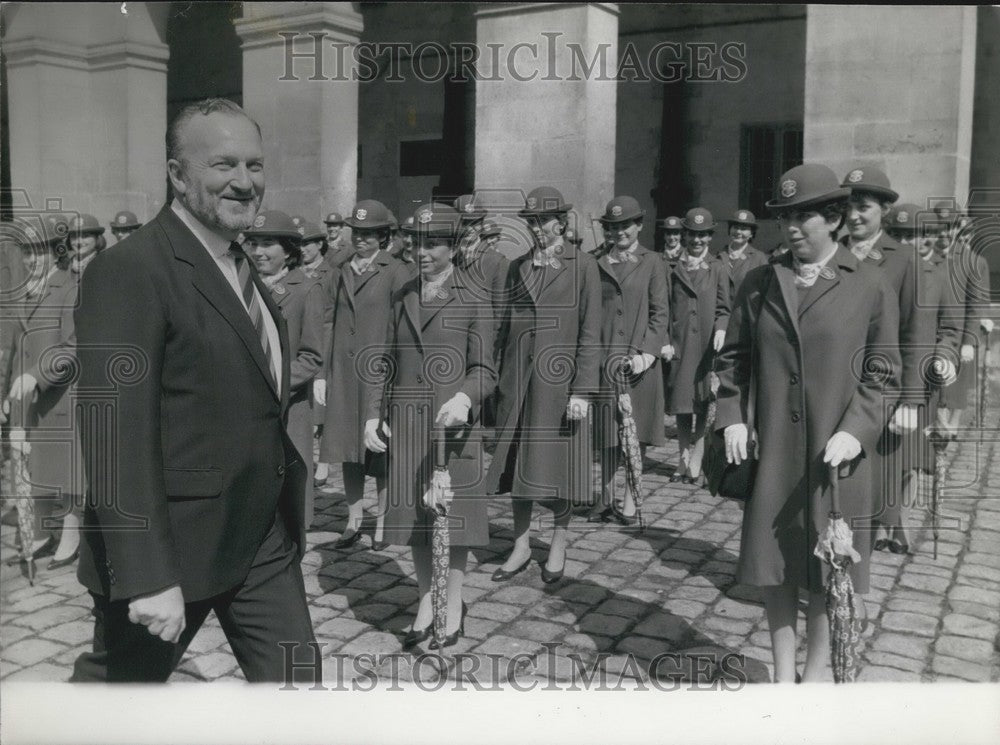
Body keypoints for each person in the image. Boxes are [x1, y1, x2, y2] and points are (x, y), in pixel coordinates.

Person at [70, 98, 316, 683]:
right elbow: (113, 433)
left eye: (255, 166)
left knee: (299, 681)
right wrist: (148, 576)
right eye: (223, 165)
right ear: (178, 176)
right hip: (173, 548)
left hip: (260, 536)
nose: (244, 181)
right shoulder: (131, 269)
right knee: (119, 701)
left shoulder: (237, 263)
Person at [716, 163, 901, 683]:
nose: (792, 228)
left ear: (834, 217)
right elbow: (733, 360)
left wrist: (856, 429)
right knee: (772, 563)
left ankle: (816, 675)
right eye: (785, 218)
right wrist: (731, 416)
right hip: (774, 446)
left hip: (834, 451)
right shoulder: (759, 281)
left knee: (826, 567)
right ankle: (781, 673)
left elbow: (884, 372)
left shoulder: (869, 284)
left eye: (804, 217)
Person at [364, 202, 495, 649]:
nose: (422, 253)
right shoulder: (403, 294)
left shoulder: (474, 297)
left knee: (452, 521)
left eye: (433, 244)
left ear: (454, 247)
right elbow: (382, 359)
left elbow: (485, 369)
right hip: (408, 425)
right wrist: (371, 413)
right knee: (417, 522)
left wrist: (465, 397)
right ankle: (426, 598)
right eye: (416, 243)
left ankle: (453, 601)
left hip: (452, 428)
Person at [486, 186, 602, 584]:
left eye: (543, 221)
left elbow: (591, 331)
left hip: (559, 384)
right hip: (517, 382)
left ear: (561, 222)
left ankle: (558, 541)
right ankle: (520, 544)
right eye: (531, 222)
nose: (537, 229)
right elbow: (502, 328)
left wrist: (583, 389)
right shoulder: (518, 267)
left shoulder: (582, 266)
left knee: (559, 466)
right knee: (519, 462)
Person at [316, 200, 409, 551]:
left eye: (370, 235)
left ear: (383, 237)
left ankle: (383, 521)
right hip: (343, 371)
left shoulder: (396, 270)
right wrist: (322, 372)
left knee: (378, 451)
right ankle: (354, 519)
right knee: (346, 448)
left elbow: (401, 324)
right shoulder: (340, 268)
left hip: (377, 369)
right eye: (358, 234)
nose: (362, 241)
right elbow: (327, 318)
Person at [840, 166, 921, 555]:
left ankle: (855, 584)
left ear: (884, 210)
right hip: (835, 387)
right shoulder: (832, 250)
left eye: (864, 207)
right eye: (849, 206)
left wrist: (910, 399)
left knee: (870, 489)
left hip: (880, 390)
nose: (854, 215)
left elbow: (915, 333)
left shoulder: (903, 259)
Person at [2, 218, 88, 570]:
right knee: (32, 468)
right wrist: (6, 390)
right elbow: (12, 346)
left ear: (57, 253)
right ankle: (41, 535)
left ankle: (70, 537)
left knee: (66, 475)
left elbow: (74, 346)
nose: (29, 259)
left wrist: (38, 376)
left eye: (38, 251)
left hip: (60, 394)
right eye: (26, 251)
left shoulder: (72, 288)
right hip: (28, 398)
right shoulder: (24, 291)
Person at [875, 206, 960, 553]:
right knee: (880, 454)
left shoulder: (938, 275)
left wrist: (945, 354)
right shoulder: (873, 270)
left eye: (914, 235)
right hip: (879, 378)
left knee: (909, 457)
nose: (908, 242)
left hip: (920, 382)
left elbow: (951, 329)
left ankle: (901, 521)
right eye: (900, 236)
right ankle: (881, 522)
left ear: (925, 237)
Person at [589, 196, 669, 525]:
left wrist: (646, 354)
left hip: (639, 363)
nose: (620, 231)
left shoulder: (653, 261)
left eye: (626, 225)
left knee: (636, 433)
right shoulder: (595, 261)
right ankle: (605, 497)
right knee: (607, 432)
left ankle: (630, 497)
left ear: (638, 226)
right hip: (606, 359)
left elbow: (660, 312)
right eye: (613, 226)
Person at [244, 211, 325, 529]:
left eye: (268, 244)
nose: (259, 252)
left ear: (289, 250)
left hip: (287, 407)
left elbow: (312, 356)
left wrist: (273, 381)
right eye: (255, 243)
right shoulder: (244, 285)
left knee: (287, 490)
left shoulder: (306, 290)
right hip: (244, 404)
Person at [664, 207, 730, 484]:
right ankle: (681, 457)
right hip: (680, 344)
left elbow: (725, 307)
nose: (697, 241)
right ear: (684, 235)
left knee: (703, 403)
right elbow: (664, 307)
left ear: (710, 237)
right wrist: (665, 341)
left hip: (705, 344)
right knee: (681, 405)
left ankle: (697, 459)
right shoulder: (671, 267)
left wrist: (722, 329)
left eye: (702, 236)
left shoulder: (718, 267)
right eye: (692, 234)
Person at [936, 204, 993, 435]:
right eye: (938, 227)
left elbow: (977, 302)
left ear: (957, 228)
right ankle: (938, 422)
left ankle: (953, 423)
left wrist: (969, 340)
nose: (943, 233)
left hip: (958, 333)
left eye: (949, 227)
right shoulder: (923, 256)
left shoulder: (973, 260)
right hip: (929, 330)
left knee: (957, 381)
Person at [294, 220, 338, 491]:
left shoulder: (331, 273)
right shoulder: (296, 271)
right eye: (299, 244)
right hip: (302, 337)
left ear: (320, 244)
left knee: (322, 403)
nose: (303, 249)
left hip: (325, 336)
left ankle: (323, 463)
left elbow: (333, 312)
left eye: (308, 243)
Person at [717, 209, 768, 298]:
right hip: (721, 311)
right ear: (730, 229)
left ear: (751, 234)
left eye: (744, 229)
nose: (738, 232)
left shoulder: (759, 258)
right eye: (735, 227)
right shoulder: (718, 257)